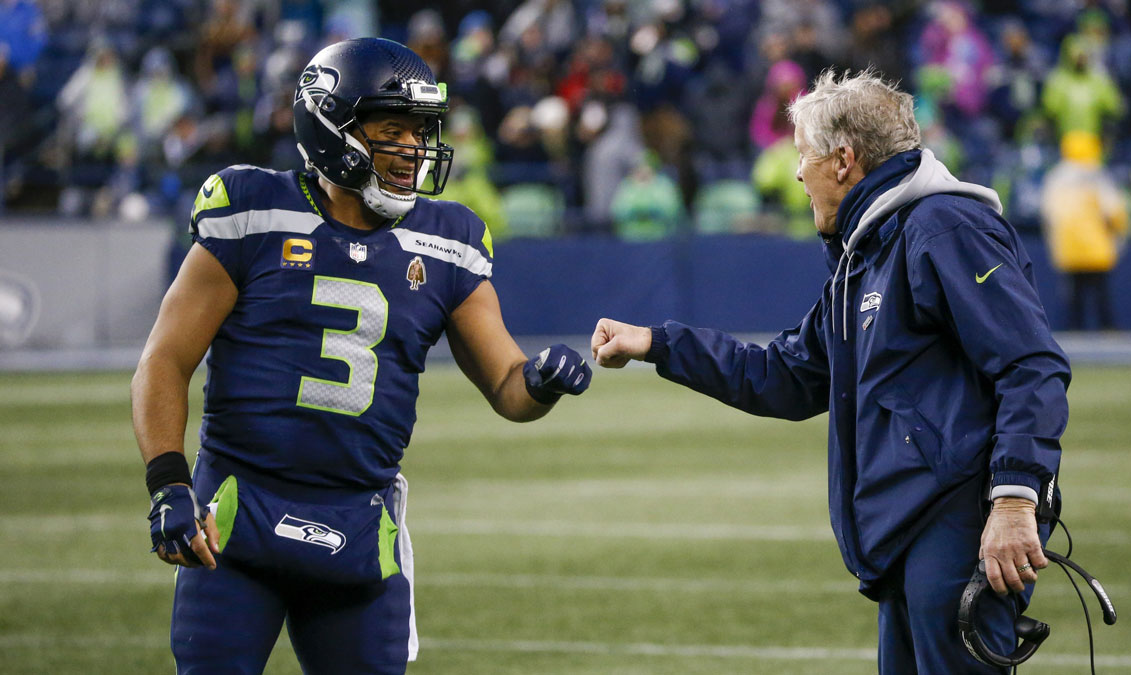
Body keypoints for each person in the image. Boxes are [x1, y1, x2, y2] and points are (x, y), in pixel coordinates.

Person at [131, 38, 591, 673]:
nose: (411, 149)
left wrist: (540, 381)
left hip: (358, 523)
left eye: (420, 131)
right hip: (236, 512)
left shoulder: (447, 241)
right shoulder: (253, 212)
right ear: (330, 126)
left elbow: (509, 387)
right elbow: (165, 359)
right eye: (391, 129)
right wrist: (168, 483)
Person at [592, 69, 1070, 673]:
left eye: (803, 156)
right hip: (909, 531)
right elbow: (784, 374)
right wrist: (659, 343)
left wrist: (1014, 502)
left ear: (843, 160)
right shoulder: (868, 254)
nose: (796, 173)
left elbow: (1032, 365)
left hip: (958, 524)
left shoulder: (944, 228)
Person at [1041, 130, 1127, 330]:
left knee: (1073, 297)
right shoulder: (1097, 174)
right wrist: (1118, 232)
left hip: (1069, 246)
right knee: (1101, 295)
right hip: (1097, 245)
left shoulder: (1056, 176)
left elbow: (1048, 213)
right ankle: (1109, 333)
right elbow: (1113, 210)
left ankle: (1074, 336)